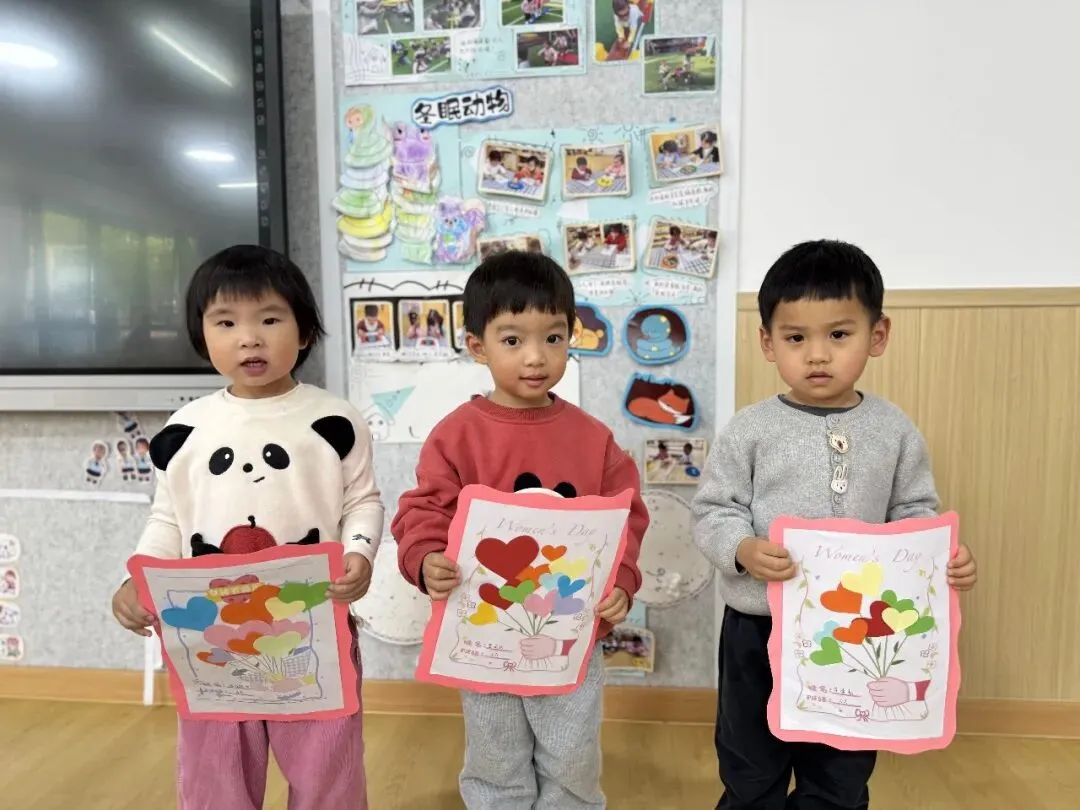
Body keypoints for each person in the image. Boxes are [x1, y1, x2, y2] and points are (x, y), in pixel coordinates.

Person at [691, 240, 978, 810]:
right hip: (759, 627)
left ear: (878, 335)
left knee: (841, 771)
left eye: (839, 334)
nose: (817, 355)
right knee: (751, 766)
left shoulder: (894, 430)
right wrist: (742, 547)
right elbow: (712, 509)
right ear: (768, 343)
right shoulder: (750, 429)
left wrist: (941, 560)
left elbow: (915, 511)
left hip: (858, 633)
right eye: (796, 338)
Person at [109, 244, 384, 810]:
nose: (249, 338)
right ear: (202, 335)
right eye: (226, 322)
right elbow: (168, 517)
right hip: (210, 631)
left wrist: (359, 552)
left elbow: (363, 501)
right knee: (216, 774)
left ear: (304, 332)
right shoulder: (188, 425)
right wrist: (139, 577)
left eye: (270, 320)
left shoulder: (334, 418)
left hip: (313, 625)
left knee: (327, 769)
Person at [391, 251, 649, 810]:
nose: (536, 357)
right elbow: (424, 508)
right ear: (477, 345)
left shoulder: (593, 438)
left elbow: (626, 518)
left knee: (572, 753)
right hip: (482, 632)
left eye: (553, 338)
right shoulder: (456, 434)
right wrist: (425, 556)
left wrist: (622, 581)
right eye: (512, 340)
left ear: (570, 335)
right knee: (496, 755)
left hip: (570, 630)